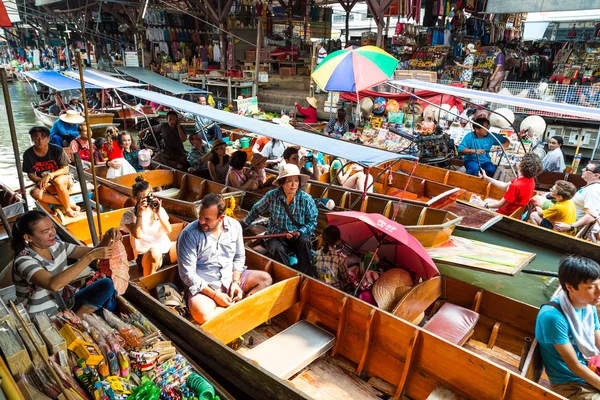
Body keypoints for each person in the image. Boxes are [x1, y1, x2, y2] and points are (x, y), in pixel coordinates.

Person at [177, 193, 272, 323]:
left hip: (229, 277)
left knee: (265, 279)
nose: (201, 222)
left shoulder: (235, 226)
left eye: (207, 219)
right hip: (205, 286)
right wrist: (215, 295)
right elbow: (188, 274)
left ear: (221, 218)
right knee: (201, 314)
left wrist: (235, 282)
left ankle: (232, 309)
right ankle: (238, 310)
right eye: (200, 217)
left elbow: (239, 257)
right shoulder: (188, 234)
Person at [12, 210, 120, 316]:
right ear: (28, 237)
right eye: (45, 231)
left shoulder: (57, 246)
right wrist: (90, 257)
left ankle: (76, 319)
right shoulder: (24, 260)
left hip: (62, 304)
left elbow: (92, 252)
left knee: (107, 284)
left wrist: (107, 237)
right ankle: (70, 322)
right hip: (41, 316)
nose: (52, 233)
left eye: (52, 227)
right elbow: (53, 284)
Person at [535, 256, 600, 399]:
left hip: (590, 367)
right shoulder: (553, 317)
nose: (598, 291)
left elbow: (599, 343)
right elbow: (575, 366)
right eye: (590, 287)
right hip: (570, 382)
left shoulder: (589, 306)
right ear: (570, 287)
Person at [242, 164, 318, 275]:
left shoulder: (306, 199)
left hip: (298, 234)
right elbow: (256, 210)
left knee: (305, 242)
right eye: (289, 181)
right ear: (282, 183)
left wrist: (299, 232)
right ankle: (287, 274)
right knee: (277, 249)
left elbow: (313, 221)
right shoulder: (272, 196)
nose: (293, 185)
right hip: (277, 234)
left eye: (296, 181)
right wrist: (244, 224)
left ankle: (305, 273)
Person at [121, 177, 177, 276]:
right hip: (145, 255)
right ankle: (147, 284)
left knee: (186, 244)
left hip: (166, 250)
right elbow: (138, 235)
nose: (144, 201)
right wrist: (139, 214)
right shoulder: (129, 215)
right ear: (134, 199)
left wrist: (158, 213)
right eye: (140, 199)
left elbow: (168, 230)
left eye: (146, 197)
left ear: (151, 195)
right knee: (153, 253)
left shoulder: (158, 209)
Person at [23, 126, 79, 218]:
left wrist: (50, 175)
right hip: (43, 182)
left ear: (48, 138)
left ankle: (68, 208)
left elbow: (65, 169)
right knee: (34, 192)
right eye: (36, 138)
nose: (40, 141)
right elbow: (31, 174)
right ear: (32, 139)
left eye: (43, 138)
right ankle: (70, 205)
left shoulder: (57, 150)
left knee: (58, 182)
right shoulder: (28, 154)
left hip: (64, 179)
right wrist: (43, 181)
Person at [477, 153, 544, 216]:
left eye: (521, 160)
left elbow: (500, 205)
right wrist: (487, 178)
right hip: (514, 213)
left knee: (477, 203)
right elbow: (504, 186)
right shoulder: (529, 180)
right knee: (486, 201)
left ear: (522, 165)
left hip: (504, 214)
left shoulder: (516, 186)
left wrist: (484, 205)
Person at [555, 161, 600, 235]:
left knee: (535, 211)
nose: (583, 169)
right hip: (563, 216)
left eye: (587, 169)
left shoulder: (593, 190)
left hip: (566, 224)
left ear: (596, 175)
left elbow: (591, 216)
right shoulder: (589, 187)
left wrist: (571, 226)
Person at [313, 225, 351, 292]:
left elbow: (315, 274)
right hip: (335, 292)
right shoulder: (340, 259)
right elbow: (346, 279)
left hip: (319, 288)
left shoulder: (316, 254)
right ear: (338, 241)